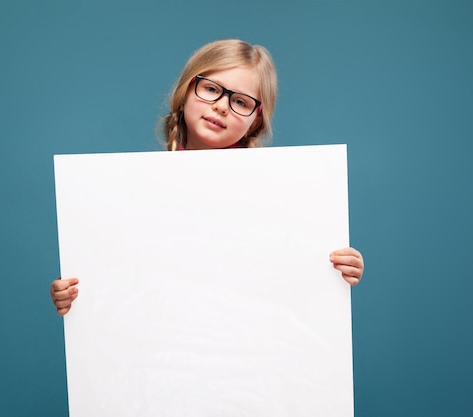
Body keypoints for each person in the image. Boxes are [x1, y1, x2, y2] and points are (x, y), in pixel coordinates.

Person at [50, 39, 365, 316]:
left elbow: (289, 272)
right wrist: (76, 294)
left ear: (256, 120)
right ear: (186, 91)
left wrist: (336, 269)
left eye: (240, 101)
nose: (221, 107)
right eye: (211, 89)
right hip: (167, 354)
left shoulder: (282, 197)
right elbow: (126, 277)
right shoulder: (138, 194)